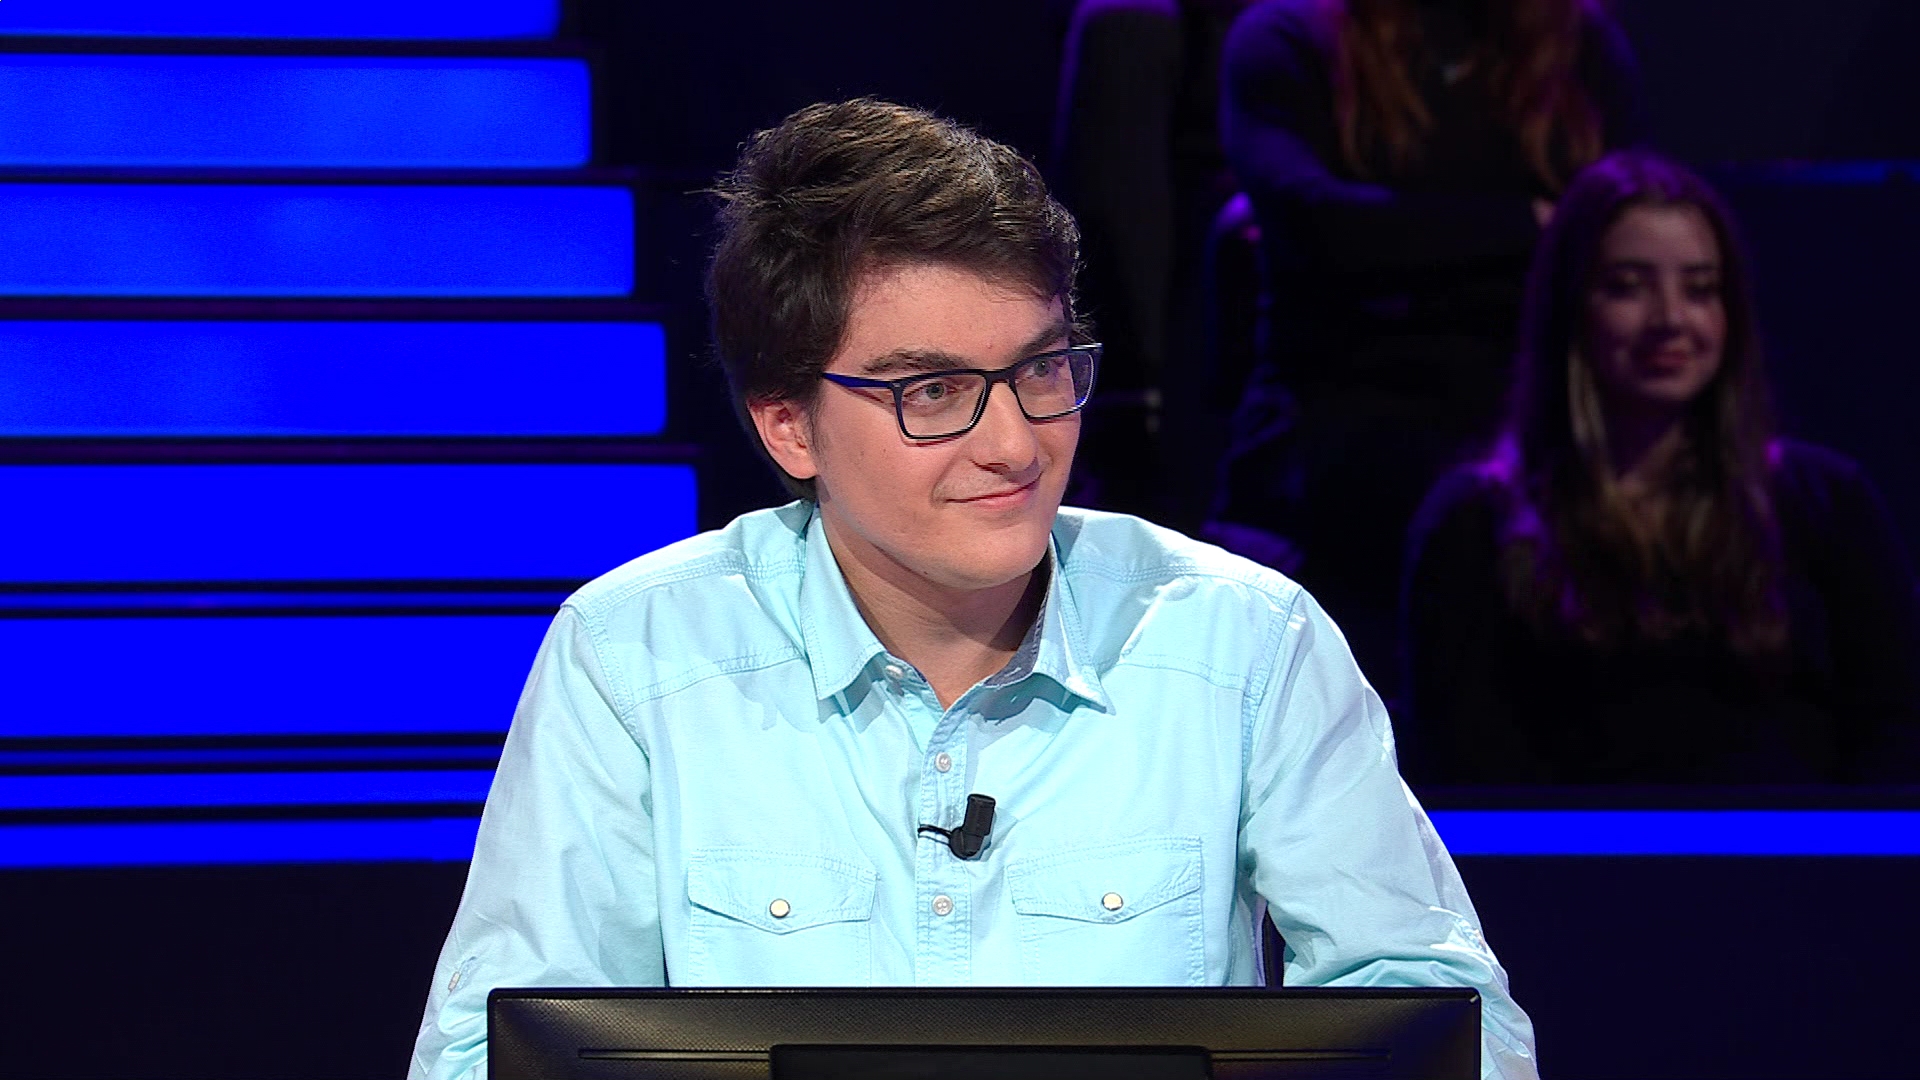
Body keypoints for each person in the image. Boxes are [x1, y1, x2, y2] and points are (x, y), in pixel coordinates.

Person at [409, 98, 1537, 1080]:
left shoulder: (1244, 642)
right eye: (935, 392)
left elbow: (1445, 1016)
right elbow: (494, 1048)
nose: (1015, 444)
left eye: (1042, 369)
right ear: (788, 424)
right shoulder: (637, 655)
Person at [1402, 150, 1920, 785]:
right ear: (1570, 306)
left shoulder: (1826, 503)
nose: (1671, 320)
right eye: (1627, 287)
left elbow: (1897, 731)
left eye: (1700, 289)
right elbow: (1456, 767)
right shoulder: (1473, 522)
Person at [1208, 0, 1645, 695]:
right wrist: (1529, 225)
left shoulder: (1578, 44)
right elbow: (1320, 229)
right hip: (1337, 419)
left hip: (1527, 418)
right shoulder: (1290, 37)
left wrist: (1407, 249)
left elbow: (1617, 231)